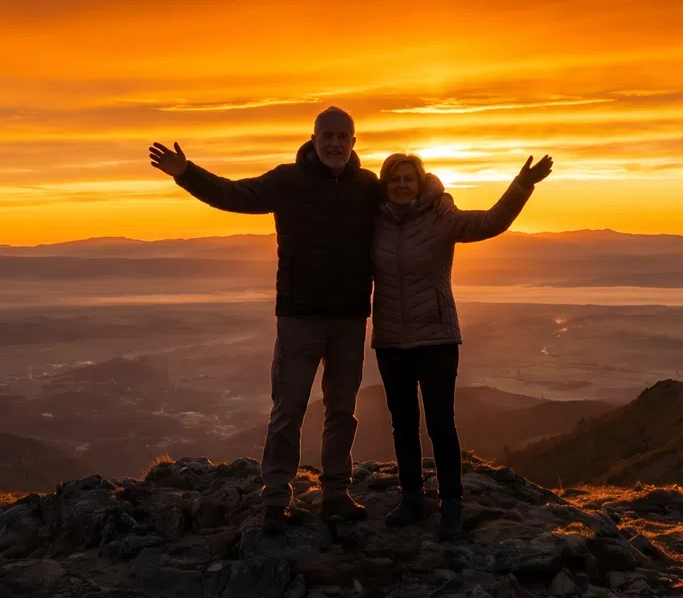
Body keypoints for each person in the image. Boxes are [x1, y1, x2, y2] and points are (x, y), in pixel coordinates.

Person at [149, 107, 379, 532]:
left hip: (349, 318)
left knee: (342, 410)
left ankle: (336, 493)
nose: (334, 143)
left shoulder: (369, 187)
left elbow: (409, 205)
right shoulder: (287, 181)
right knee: (287, 409)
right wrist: (187, 173)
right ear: (312, 138)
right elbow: (235, 195)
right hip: (299, 317)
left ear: (353, 142)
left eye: (342, 136)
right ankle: (276, 498)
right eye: (326, 135)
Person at [370, 151, 553, 540]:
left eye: (408, 178)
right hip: (390, 340)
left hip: (436, 337)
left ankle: (451, 502)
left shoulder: (441, 217)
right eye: (394, 179)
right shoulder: (374, 224)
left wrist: (522, 186)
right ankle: (412, 499)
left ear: (420, 183)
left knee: (440, 424)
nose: (402, 185)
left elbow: (490, 222)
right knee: (402, 424)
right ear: (385, 185)